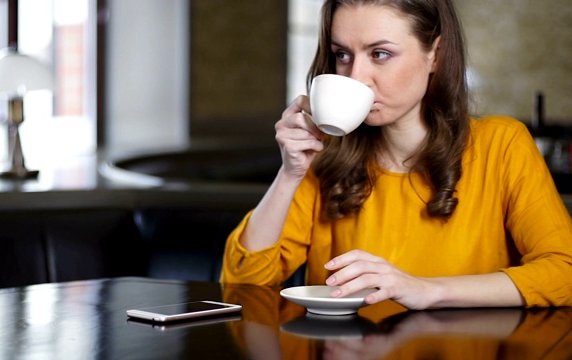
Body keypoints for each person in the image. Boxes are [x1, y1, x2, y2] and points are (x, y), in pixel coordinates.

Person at [220, 0, 572, 309]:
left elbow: (564, 272)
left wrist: (426, 290)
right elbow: (243, 284)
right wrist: (290, 174)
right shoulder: (326, 157)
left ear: (435, 53)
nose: (357, 76)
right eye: (343, 54)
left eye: (380, 54)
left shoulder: (501, 145)